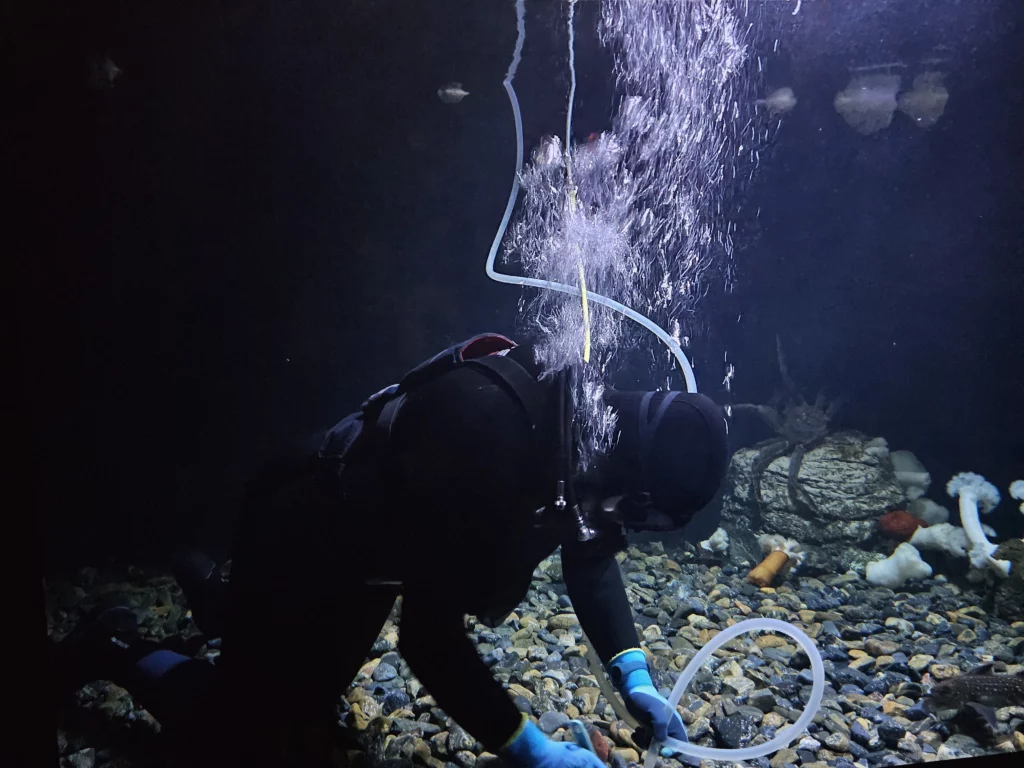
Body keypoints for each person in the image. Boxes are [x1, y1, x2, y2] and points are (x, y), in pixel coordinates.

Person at [52, 333, 729, 768]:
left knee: (307, 727)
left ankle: (214, 597)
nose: (623, 527)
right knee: (239, 740)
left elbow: (588, 547)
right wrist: (529, 747)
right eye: (639, 516)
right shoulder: (486, 432)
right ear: (635, 475)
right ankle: (112, 645)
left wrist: (631, 671)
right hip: (301, 531)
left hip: (378, 565)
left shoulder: (593, 441)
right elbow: (429, 641)